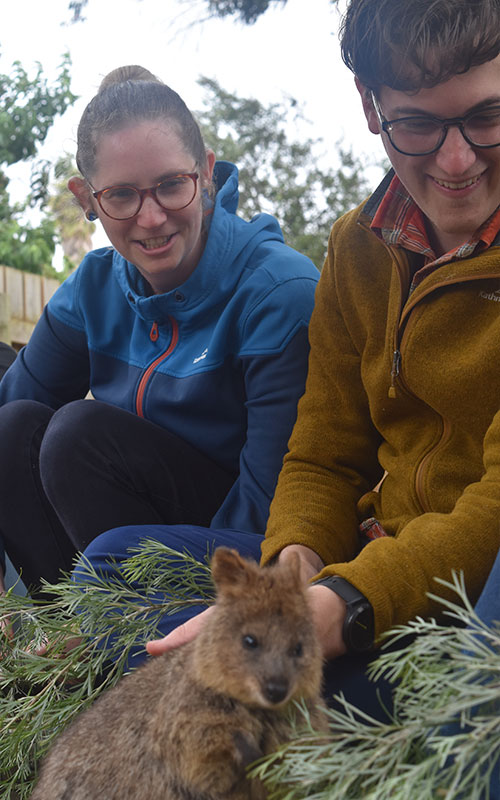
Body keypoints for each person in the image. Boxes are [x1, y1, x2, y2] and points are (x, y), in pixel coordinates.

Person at [89, 0, 500, 724]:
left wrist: (340, 606)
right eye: (418, 125)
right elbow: (320, 454)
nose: (457, 159)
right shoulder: (358, 248)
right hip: (370, 563)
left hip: (468, 587)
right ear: (370, 107)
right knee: (112, 567)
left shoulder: (272, 279)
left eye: (488, 117)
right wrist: (292, 576)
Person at [0, 65, 319, 598]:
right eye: (122, 196)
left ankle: (130, 630)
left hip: (242, 545)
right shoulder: (91, 289)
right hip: (118, 545)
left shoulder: (279, 293)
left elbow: (273, 503)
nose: (151, 218)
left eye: (172, 185)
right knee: (14, 428)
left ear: (207, 173)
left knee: (78, 435)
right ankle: (60, 638)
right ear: (87, 198)